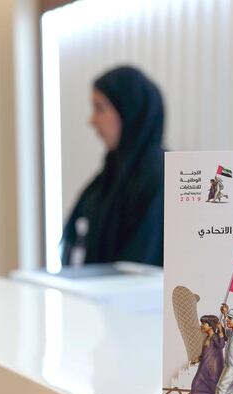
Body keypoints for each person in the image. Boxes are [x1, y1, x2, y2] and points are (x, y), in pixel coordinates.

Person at [61, 66, 165, 266]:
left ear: (129, 110)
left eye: (100, 108)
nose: (92, 121)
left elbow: (140, 264)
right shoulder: (109, 176)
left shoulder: (159, 177)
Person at [178, 315, 226, 394]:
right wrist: (198, 358)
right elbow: (206, 353)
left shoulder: (215, 337)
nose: (202, 325)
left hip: (213, 368)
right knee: (196, 384)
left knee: (216, 387)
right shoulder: (207, 338)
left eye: (204, 323)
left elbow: (221, 345)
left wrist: (220, 330)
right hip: (204, 367)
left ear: (211, 325)